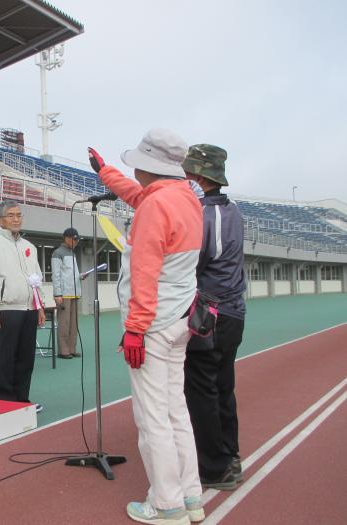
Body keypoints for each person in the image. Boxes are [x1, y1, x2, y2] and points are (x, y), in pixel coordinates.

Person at [89, 129, 204, 525]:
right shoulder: (185, 197)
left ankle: (166, 504)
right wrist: (105, 173)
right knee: (176, 411)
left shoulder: (155, 207)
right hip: (179, 319)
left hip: (152, 324)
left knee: (152, 416)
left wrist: (134, 328)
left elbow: (144, 274)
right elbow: (140, 196)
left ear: (148, 165)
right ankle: (191, 496)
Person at [182, 144, 246, 491]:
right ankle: (229, 454)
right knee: (222, 386)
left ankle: (214, 467)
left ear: (199, 177)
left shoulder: (206, 215)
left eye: (188, 173)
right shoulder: (232, 209)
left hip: (211, 314)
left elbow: (194, 262)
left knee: (202, 389)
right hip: (233, 312)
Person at [0, 200, 46, 412]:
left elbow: (36, 278)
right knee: (7, 357)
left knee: (26, 357)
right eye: (11, 215)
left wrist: (40, 305)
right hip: (7, 309)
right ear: (0, 220)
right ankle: (6, 401)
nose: (16, 219)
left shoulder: (29, 247)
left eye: (19, 215)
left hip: (29, 309)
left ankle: (23, 401)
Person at [51, 227, 86, 359]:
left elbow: (70, 274)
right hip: (64, 294)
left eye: (77, 240)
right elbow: (56, 275)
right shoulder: (57, 253)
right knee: (64, 323)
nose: (76, 242)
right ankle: (63, 351)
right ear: (66, 238)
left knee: (73, 324)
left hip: (75, 292)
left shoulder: (72, 253)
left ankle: (72, 348)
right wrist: (57, 294)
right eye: (74, 239)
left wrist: (80, 276)